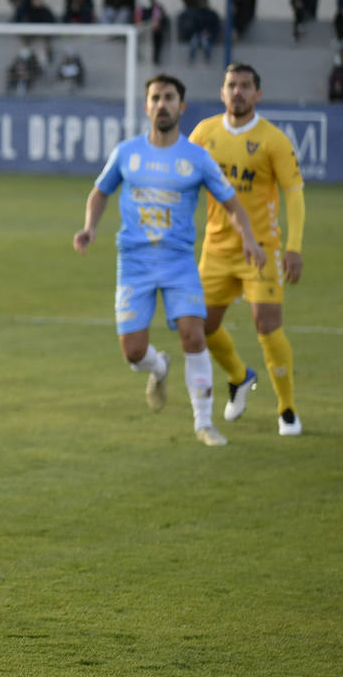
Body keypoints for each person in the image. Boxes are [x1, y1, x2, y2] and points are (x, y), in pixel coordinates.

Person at [73, 74, 265, 446]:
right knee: (133, 353)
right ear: (146, 106)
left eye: (169, 97)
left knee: (194, 334)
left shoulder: (196, 157)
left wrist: (250, 241)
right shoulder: (127, 152)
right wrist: (89, 228)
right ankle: (158, 366)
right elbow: (99, 193)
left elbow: (232, 205)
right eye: (156, 98)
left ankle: (204, 423)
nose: (162, 104)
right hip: (134, 263)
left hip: (178, 263)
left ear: (182, 106)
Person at [188, 63, 306, 436]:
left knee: (266, 324)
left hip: (263, 248)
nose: (237, 92)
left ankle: (286, 409)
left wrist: (293, 247)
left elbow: (294, 194)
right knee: (201, 327)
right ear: (222, 92)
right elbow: (183, 181)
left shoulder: (273, 140)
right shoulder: (204, 133)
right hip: (217, 249)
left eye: (245, 86)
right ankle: (239, 377)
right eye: (231, 85)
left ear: (258, 94)